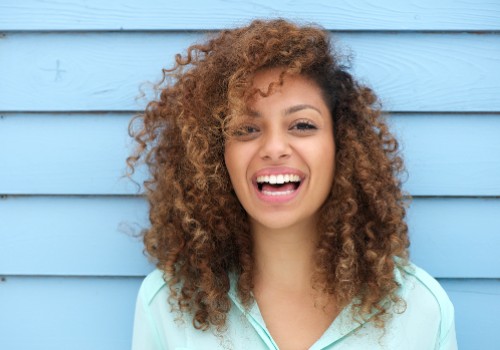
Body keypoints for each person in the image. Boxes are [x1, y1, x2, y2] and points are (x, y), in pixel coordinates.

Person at [128, 19, 457, 349]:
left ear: (340, 144)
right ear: (217, 156)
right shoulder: (166, 306)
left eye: (301, 125)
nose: (274, 148)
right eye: (246, 129)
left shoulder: (420, 309)